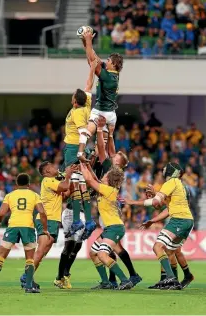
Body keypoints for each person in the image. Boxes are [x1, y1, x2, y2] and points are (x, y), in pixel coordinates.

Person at [89, 116, 142, 288]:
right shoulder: (116, 169)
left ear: (119, 162)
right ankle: (131, 275)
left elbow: (106, 151)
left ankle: (115, 280)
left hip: (109, 212)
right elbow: (111, 151)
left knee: (109, 248)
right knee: (115, 247)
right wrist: (110, 134)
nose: (114, 155)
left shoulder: (110, 169)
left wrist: (100, 131)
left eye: (117, 156)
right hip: (112, 209)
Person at [126, 162, 194, 290]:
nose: (163, 168)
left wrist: (133, 202)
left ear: (172, 171)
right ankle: (175, 279)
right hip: (186, 220)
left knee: (158, 246)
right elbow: (166, 207)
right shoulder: (179, 186)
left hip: (179, 220)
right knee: (170, 251)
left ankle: (170, 278)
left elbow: (156, 202)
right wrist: (153, 219)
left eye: (166, 167)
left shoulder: (171, 183)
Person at [0, 173, 49, 294]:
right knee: (29, 258)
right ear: (29, 184)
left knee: (1, 256)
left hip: (12, 226)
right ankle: (29, 287)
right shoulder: (34, 195)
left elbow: (1, 212)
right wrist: (45, 229)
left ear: (16, 184)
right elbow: (42, 212)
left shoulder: (10, 195)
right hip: (27, 227)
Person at [20, 162, 76, 289]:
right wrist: (68, 176)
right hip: (46, 219)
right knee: (40, 250)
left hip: (53, 220)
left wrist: (72, 184)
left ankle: (28, 276)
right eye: (51, 166)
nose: (55, 166)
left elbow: (64, 196)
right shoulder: (47, 180)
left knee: (43, 251)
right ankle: (26, 277)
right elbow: (65, 186)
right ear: (46, 172)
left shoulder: (53, 182)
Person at [80, 163, 133, 290]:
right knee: (93, 253)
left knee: (102, 255)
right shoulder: (105, 188)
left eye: (105, 175)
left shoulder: (108, 190)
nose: (102, 176)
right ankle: (105, 282)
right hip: (109, 228)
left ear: (108, 180)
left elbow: (89, 179)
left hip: (115, 227)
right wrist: (87, 165)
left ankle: (125, 280)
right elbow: (93, 178)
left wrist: (81, 162)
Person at [63, 60, 98, 237]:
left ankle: (77, 220)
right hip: (81, 149)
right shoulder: (86, 105)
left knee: (75, 185)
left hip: (73, 148)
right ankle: (89, 221)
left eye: (72, 96)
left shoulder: (77, 112)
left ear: (75, 101)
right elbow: (89, 85)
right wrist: (92, 68)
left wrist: (80, 147)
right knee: (82, 184)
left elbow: (82, 130)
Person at [78, 30, 124, 157]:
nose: (106, 61)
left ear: (113, 64)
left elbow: (91, 62)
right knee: (100, 150)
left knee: (87, 134)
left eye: (108, 60)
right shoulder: (112, 74)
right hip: (110, 115)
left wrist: (88, 41)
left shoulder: (109, 77)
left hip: (100, 112)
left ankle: (80, 154)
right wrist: (85, 41)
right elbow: (94, 57)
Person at [140, 186, 194, 289]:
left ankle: (175, 279)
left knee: (171, 250)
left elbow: (166, 205)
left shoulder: (179, 191)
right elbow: (165, 204)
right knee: (169, 250)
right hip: (177, 221)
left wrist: (155, 194)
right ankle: (170, 279)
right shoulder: (178, 190)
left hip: (181, 221)